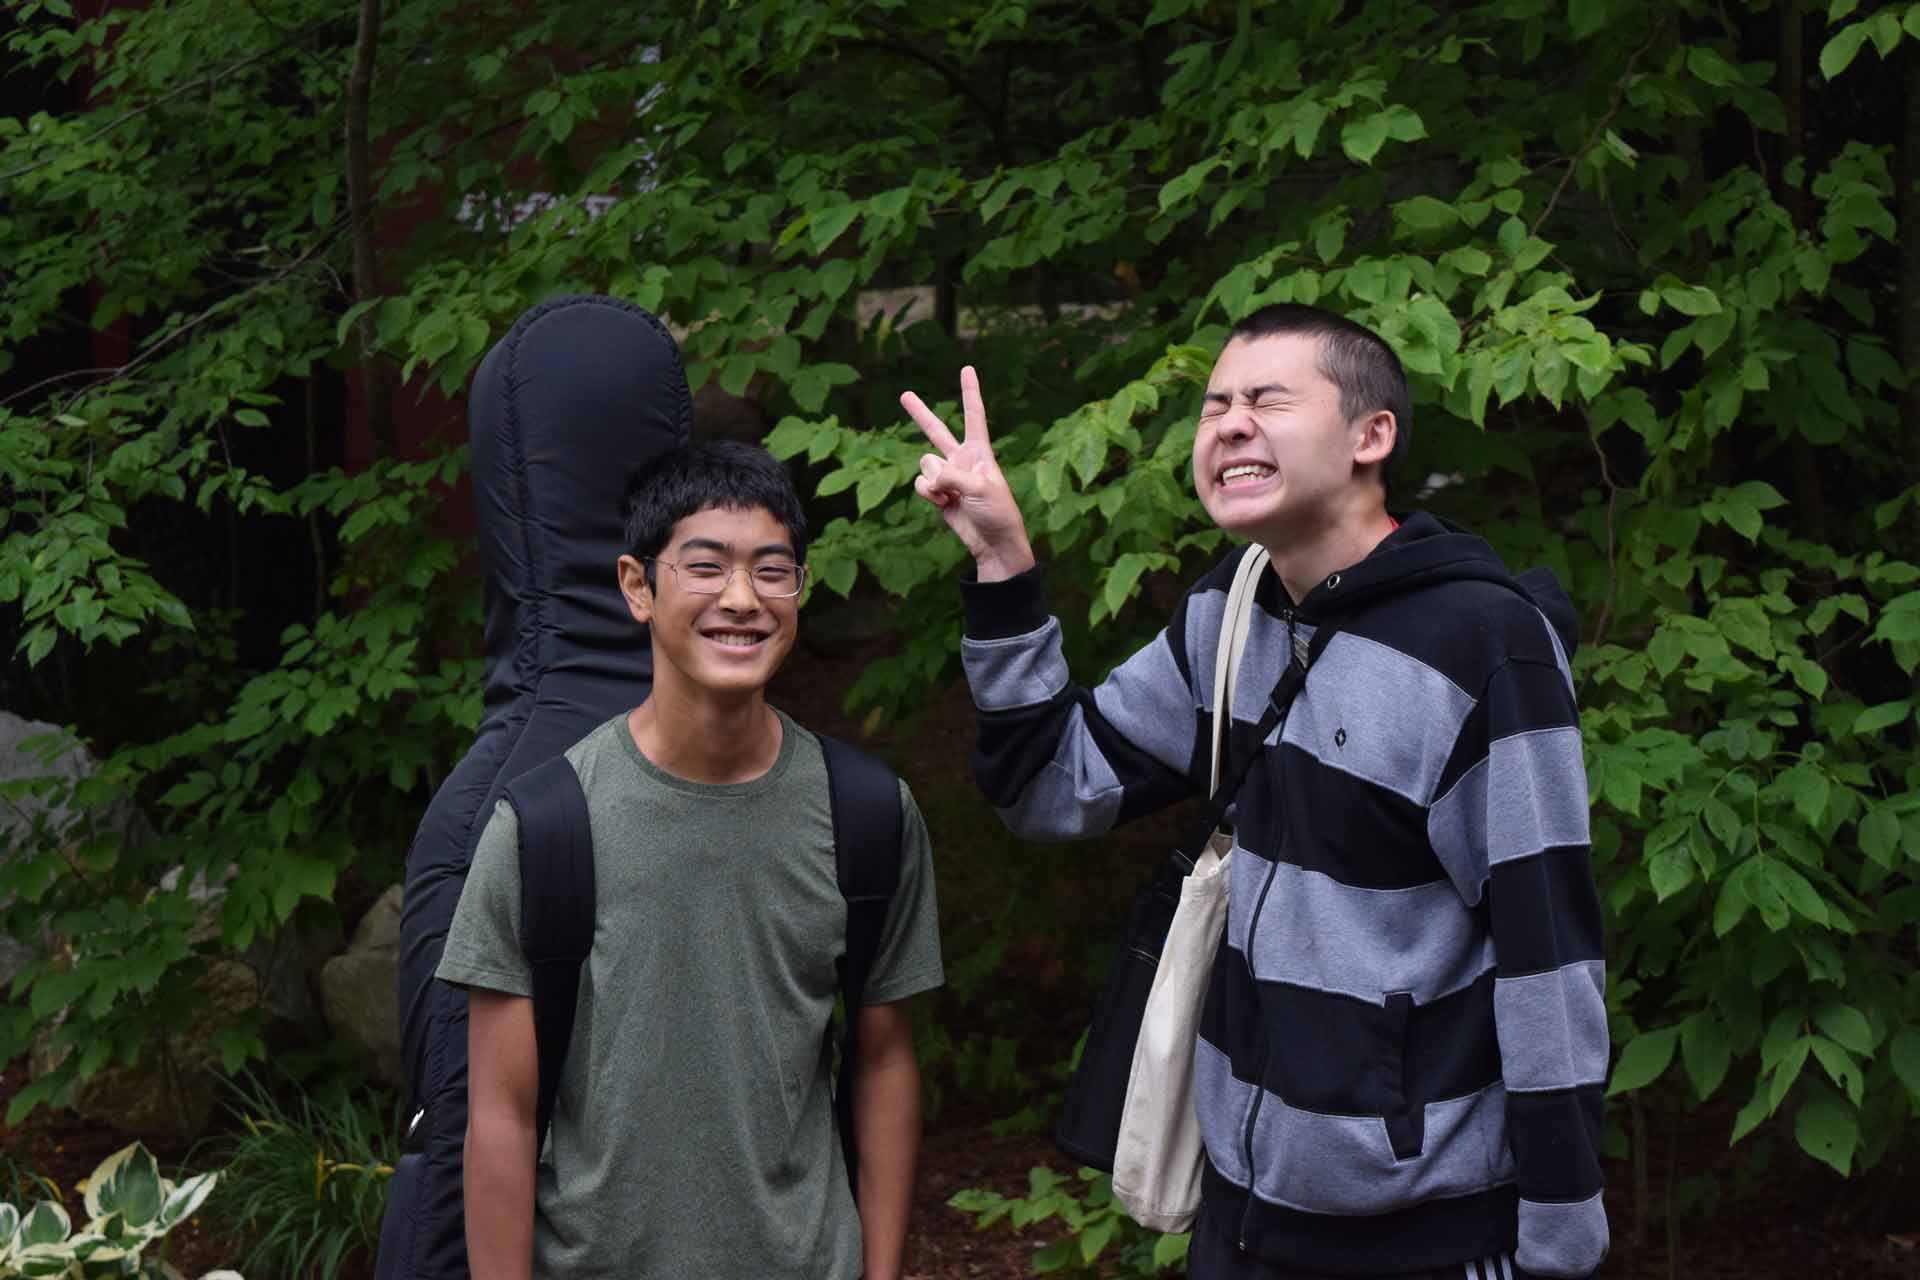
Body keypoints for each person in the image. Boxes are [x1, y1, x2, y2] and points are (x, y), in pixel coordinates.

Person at [903, 303, 1608, 1280]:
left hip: (1426, 1231)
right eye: (1214, 405)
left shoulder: (1485, 647)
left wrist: (1559, 1242)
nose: (1228, 422)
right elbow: (1050, 784)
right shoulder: (1230, 611)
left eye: (1267, 399)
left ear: (1372, 436)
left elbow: (1550, 960)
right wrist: (1002, 565)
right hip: (1236, 1217)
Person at [438, 440, 944, 1280]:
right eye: (705, 568)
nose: (741, 600)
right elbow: (500, 1112)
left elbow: (886, 1058)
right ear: (639, 586)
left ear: (800, 588)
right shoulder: (542, 828)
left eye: (771, 570)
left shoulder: (867, 815)